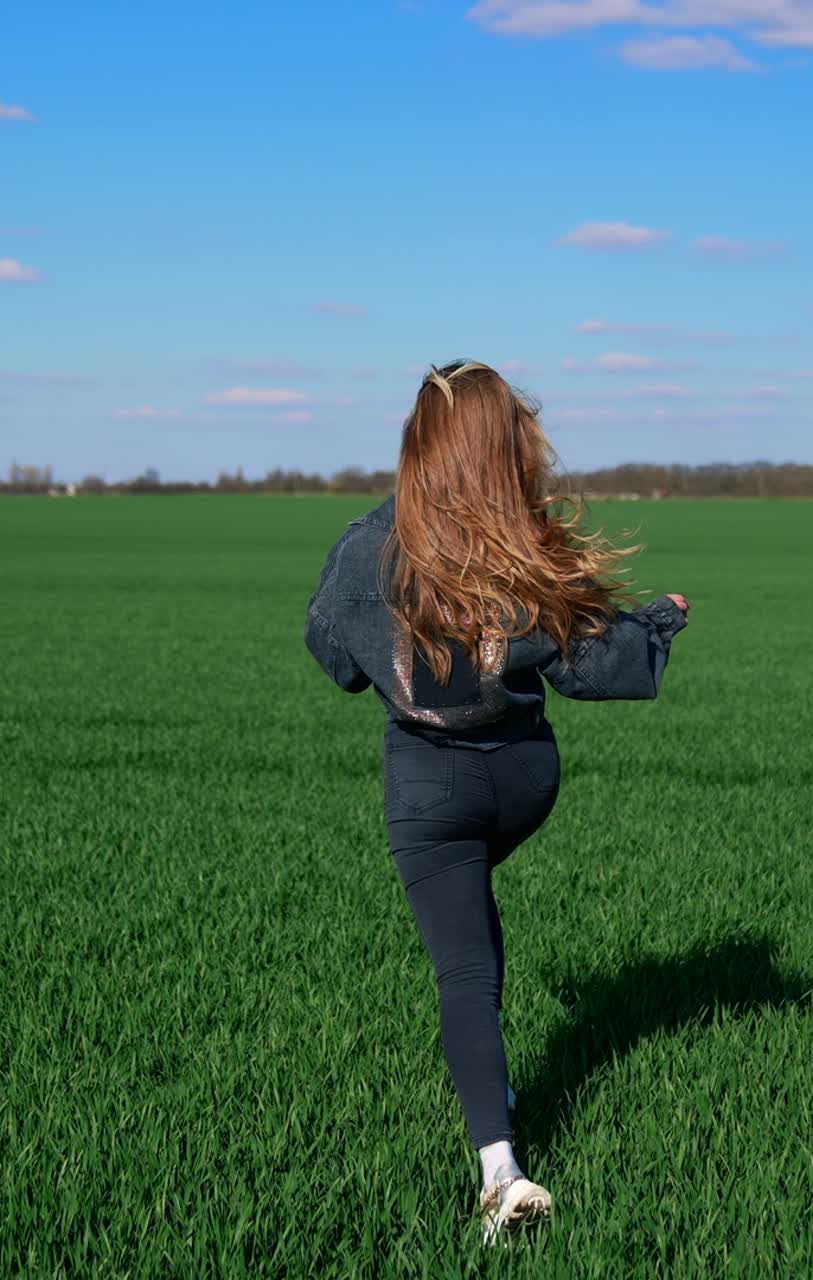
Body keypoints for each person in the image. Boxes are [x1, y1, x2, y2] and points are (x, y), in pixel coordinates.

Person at [304, 360, 689, 1245]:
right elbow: (596, 669)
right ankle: (499, 1086)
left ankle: (500, 1172)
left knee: (463, 972)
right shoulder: (522, 550)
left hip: (427, 789)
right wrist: (658, 623)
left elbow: (334, 659)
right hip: (521, 780)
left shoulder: (365, 545)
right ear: (503, 451)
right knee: (475, 923)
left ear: (419, 447)